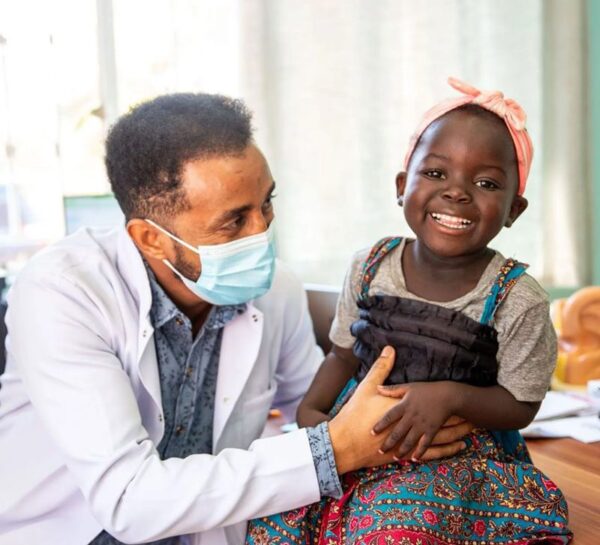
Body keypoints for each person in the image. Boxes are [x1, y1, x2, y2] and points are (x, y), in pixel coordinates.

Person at [0, 93, 470, 545]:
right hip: (70, 532)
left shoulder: (274, 289)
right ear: (150, 238)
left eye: (266, 203)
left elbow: (315, 408)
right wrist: (335, 449)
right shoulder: (64, 292)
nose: (262, 231)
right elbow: (129, 501)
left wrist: (409, 411)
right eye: (234, 220)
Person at [247, 78, 573, 544]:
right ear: (402, 186)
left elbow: (521, 405)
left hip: (453, 453)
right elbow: (343, 354)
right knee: (271, 516)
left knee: (398, 528)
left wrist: (449, 396)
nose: (456, 193)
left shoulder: (518, 297)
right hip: (360, 429)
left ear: (513, 210)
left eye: (485, 183)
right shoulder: (370, 265)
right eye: (436, 174)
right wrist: (313, 410)